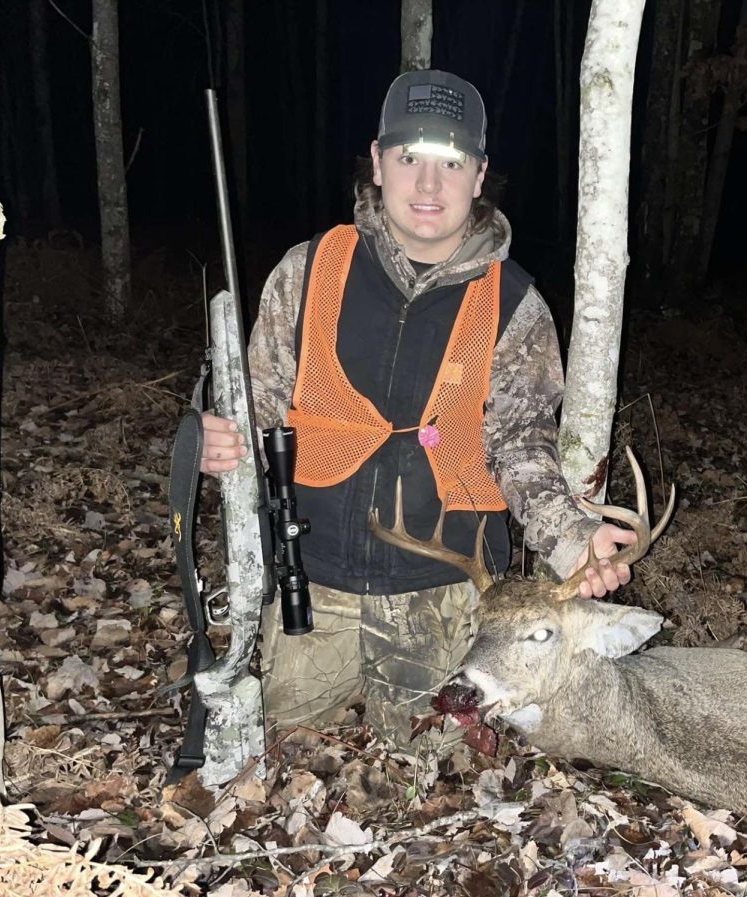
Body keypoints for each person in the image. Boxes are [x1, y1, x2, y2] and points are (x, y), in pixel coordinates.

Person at [198, 69, 635, 744]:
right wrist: (215, 441)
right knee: (280, 749)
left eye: (451, 164)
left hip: (442, 591)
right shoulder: (308, 271)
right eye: (409, 159)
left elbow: (520, 448)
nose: (428, 188)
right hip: (311, 586)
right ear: (377, 163)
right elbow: (254, 404)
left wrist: (575, 538)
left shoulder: (515, 306)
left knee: (438, 776)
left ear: (479, 175)